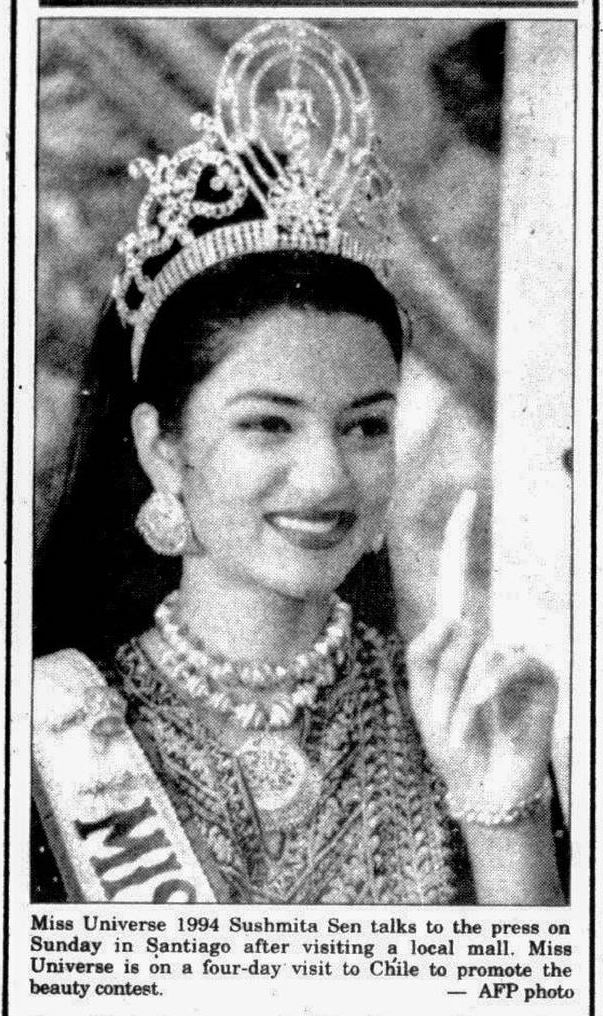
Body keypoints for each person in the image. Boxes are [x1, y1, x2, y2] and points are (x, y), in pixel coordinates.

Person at [32, 20, 566, 905]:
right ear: (163, 447)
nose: (325, 479)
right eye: (268, 425)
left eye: (364, 427)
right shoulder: (48, 729)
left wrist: (501, 815)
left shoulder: (464, 715)